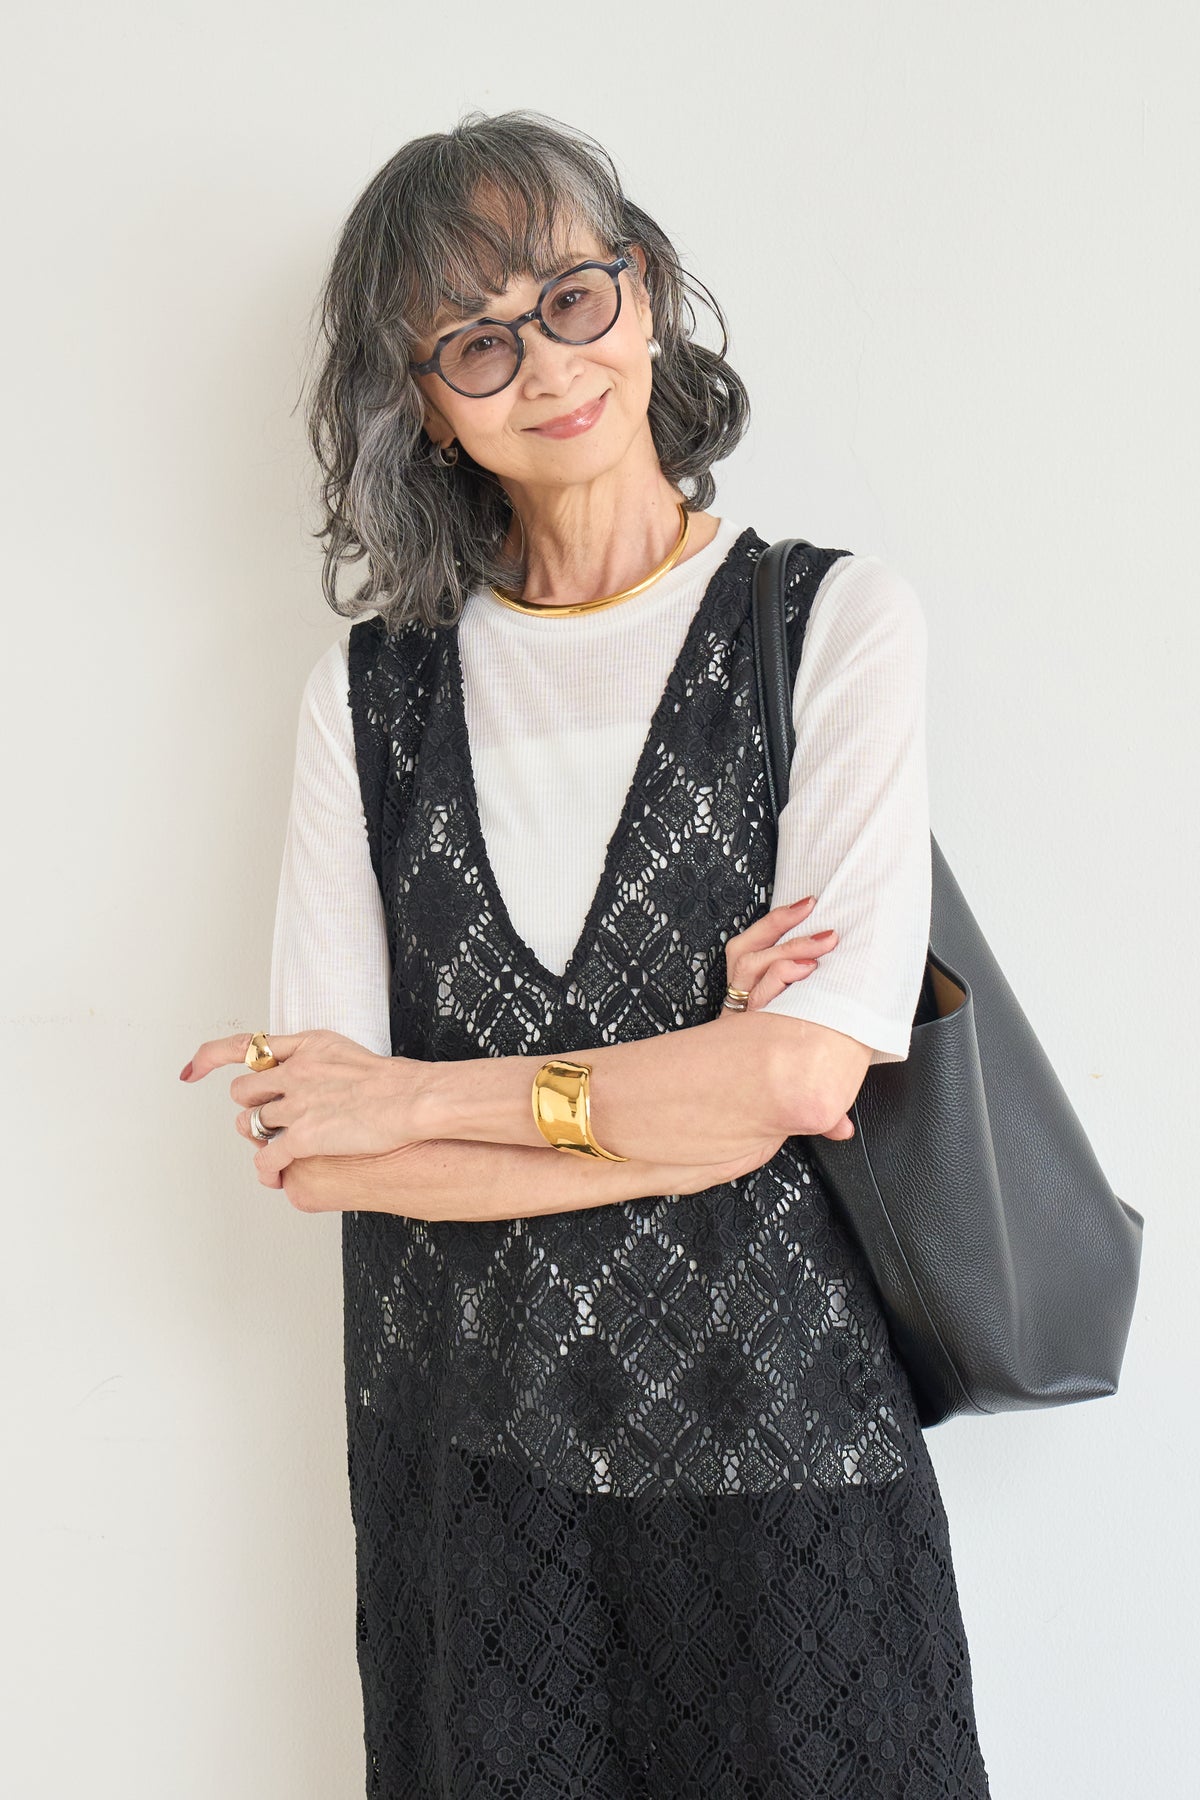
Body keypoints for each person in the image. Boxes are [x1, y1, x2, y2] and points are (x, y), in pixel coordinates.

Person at [183, 109, 991, 1797]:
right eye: (478, 341)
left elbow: (797, 1076)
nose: (547, 362)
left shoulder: (829, 627)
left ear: (648, 293)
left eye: (571, 296)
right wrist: (690, 1099)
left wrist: (418, 1099)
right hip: (475, 1496)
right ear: (425, 402)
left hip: (788, 1468)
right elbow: (325, 1157)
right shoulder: (366, 698)